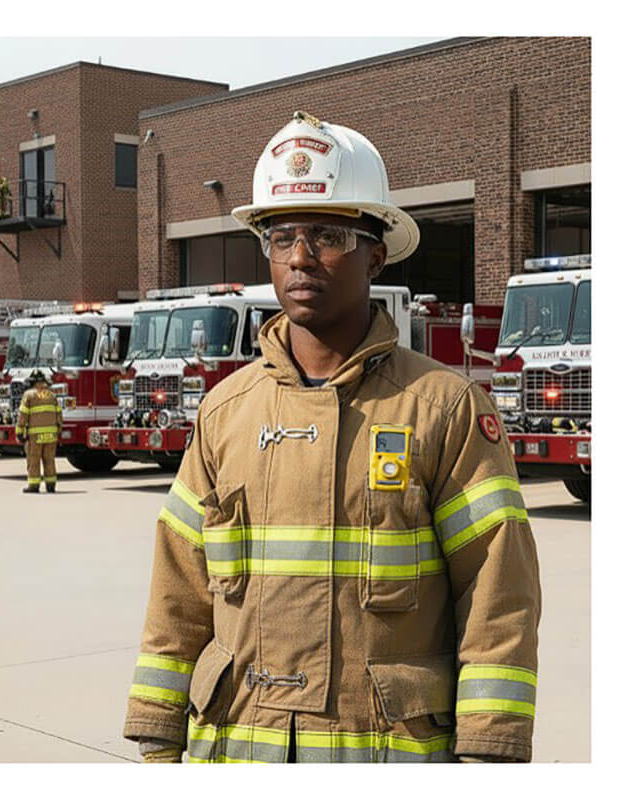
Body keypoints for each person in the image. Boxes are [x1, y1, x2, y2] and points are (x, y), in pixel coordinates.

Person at [123, 111, 541, 764]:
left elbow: (498, 606)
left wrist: (487, 756)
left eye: (326, 234)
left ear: (376, 250)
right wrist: (156, 740)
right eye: (281, 235)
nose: (298, 257)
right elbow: (176, 599)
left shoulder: (445, 411)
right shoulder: (224, 413)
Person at [15, 369, 62, 493]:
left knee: (33, 460)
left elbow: (23, 415)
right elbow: (59, 415)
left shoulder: (29, 395)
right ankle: (51, 485)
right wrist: (58, 430)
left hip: (35, 436)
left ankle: (34, 485)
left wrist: (19, 431)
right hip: (51, 435)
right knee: (49, 460)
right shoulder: (52, 395)